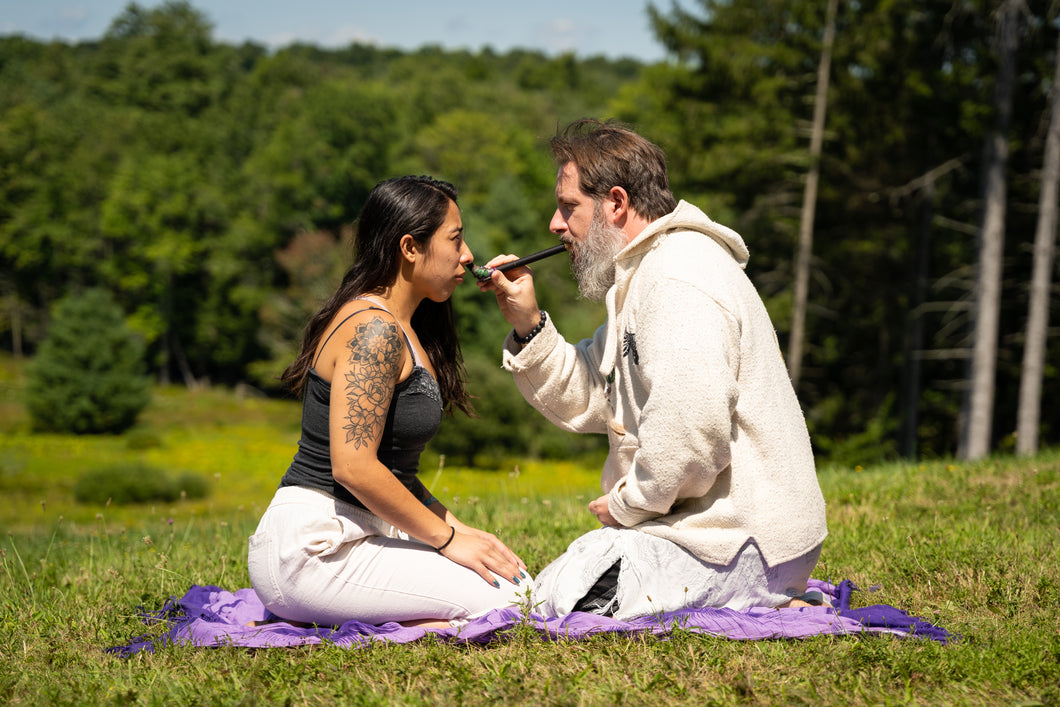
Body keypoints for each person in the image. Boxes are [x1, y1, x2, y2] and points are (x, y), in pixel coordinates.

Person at [478, 119, 827, 620]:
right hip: (704, 529)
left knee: (564, 598)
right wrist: (529, 324)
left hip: (737, 537)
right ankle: (759, 596)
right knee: (551, 585)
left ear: (616, 203)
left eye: (569, 207)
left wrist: (626, 505)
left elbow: (691, 433)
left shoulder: (678, 277)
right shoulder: (643, 275)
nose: (555, 225)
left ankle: (761, 595)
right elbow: (594, 394)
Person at [249, 175, 530, 629]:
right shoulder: (373, 331)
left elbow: (396, 472)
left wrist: (462, 532)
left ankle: (337, 621)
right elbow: (353, 467)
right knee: (511, 609)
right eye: (455, 239)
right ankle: (352, 628)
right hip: (314, 550)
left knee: (519, 588)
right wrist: (446, 540)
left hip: (353, 537)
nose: (468, 254)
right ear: (409, 247)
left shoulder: (406, 329)